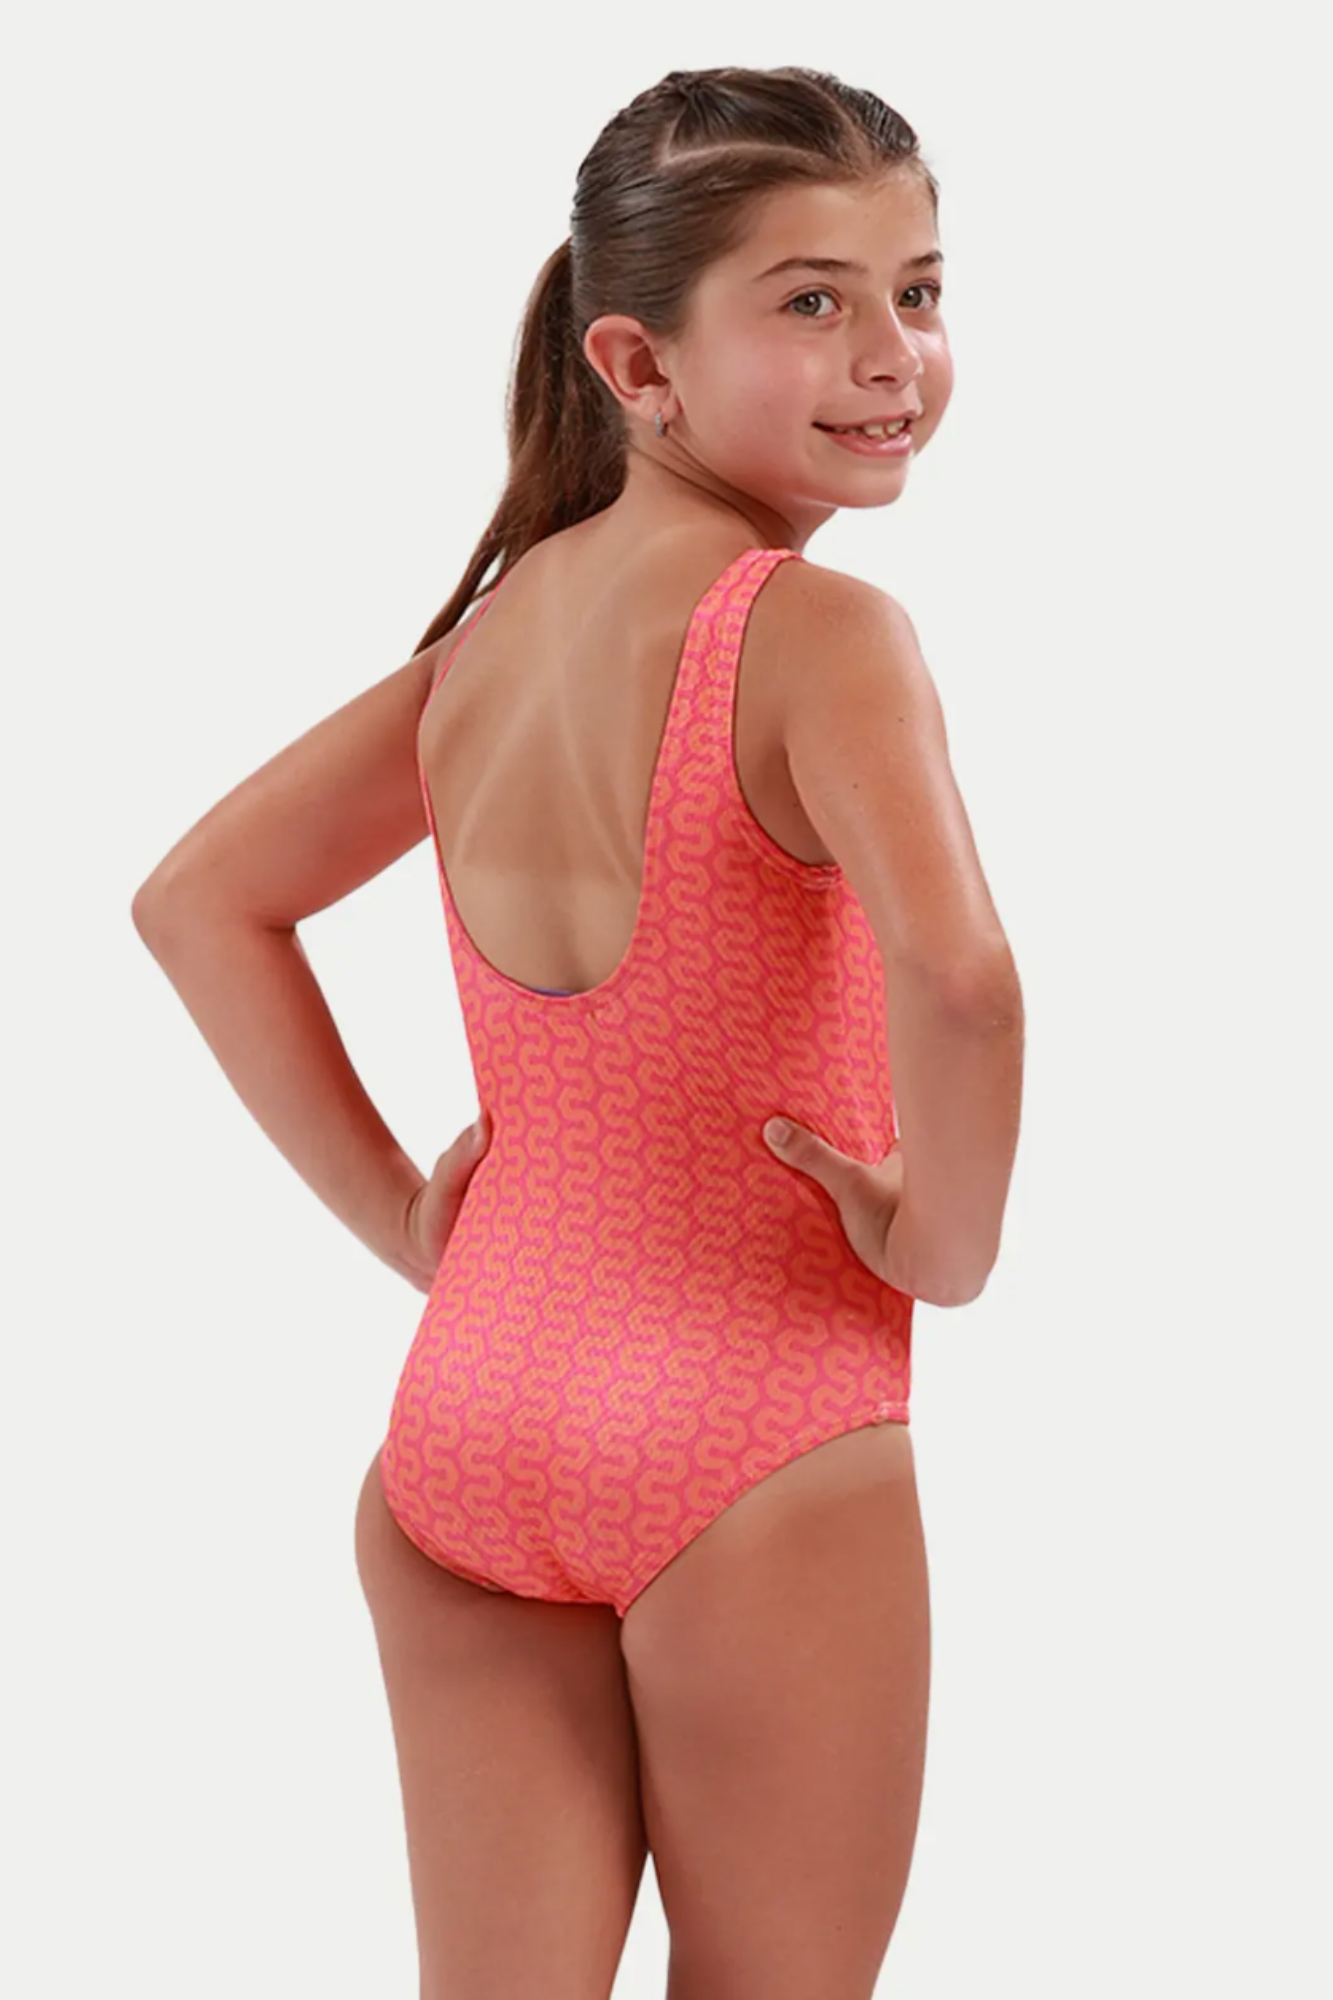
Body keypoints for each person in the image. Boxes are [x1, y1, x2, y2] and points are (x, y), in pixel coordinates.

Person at [132, 63, 1024, 2000]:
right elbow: (963, 978)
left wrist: (407, 1220)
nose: (892, 355)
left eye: (920, 291)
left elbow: (201, 901)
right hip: (754, 1434)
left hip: (467, 1425)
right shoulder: (817, 635)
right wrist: (943, 1241)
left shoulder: (494, 640)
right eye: (812, 301)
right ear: (637, 361)